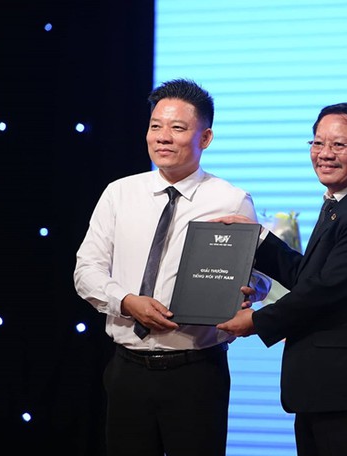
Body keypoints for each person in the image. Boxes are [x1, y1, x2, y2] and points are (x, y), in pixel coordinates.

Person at [73, 78, 270, 456]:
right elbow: (86, 270)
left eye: (178, 128)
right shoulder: (119, 193)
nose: (163, 137)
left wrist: (248, 291)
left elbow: (257, 276)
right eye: (155, 126)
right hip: (127, 369)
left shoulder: (230, 199)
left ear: (205, 138)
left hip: (197, 371)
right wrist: (127, 302)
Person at [215, 102, 347, 456]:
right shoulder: (342, 203)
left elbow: (326, 290)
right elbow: (310, 277)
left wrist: (256, 321)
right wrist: (257, 239)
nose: (325, 154)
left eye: (338, 145)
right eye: (318, 143)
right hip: (325, 389)